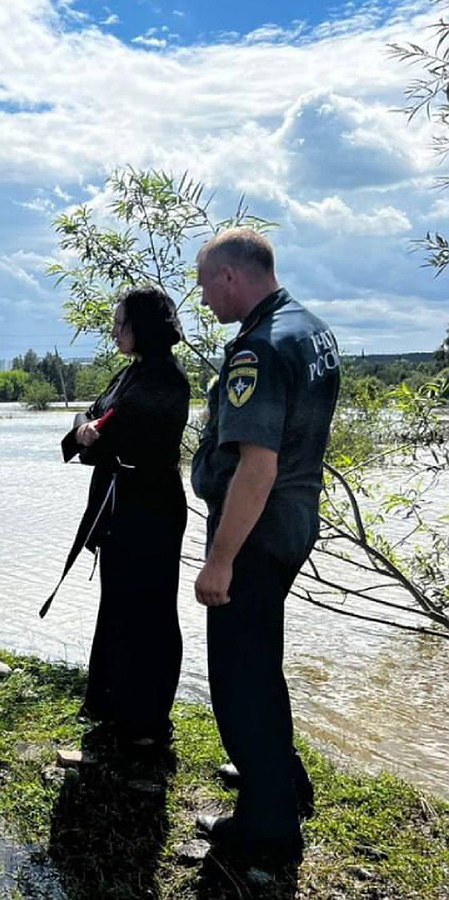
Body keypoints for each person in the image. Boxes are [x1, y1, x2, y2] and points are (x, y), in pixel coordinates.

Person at [191, 229, 340, 866]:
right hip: (294, 520)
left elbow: (257, 465)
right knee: (261, 660)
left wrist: (219, 559)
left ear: (230, 276)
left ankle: (267, 829)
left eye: (204, 283)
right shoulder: (311, 330)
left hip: (255, 530)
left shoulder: (257, 348)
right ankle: (285, 781)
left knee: (238, 676)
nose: (202, 297)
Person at [51, 286, 190, 749]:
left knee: (148, 612)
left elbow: (127, 440)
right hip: (121, 506)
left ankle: (148, 723)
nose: (114, 331)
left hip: (151, 508)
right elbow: (90, 417)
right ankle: (113, 708)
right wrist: (84, 431)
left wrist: (94, 436)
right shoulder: (129, 373)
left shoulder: (168, 380)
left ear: (143, 328)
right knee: (118, 606)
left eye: (120, 323)